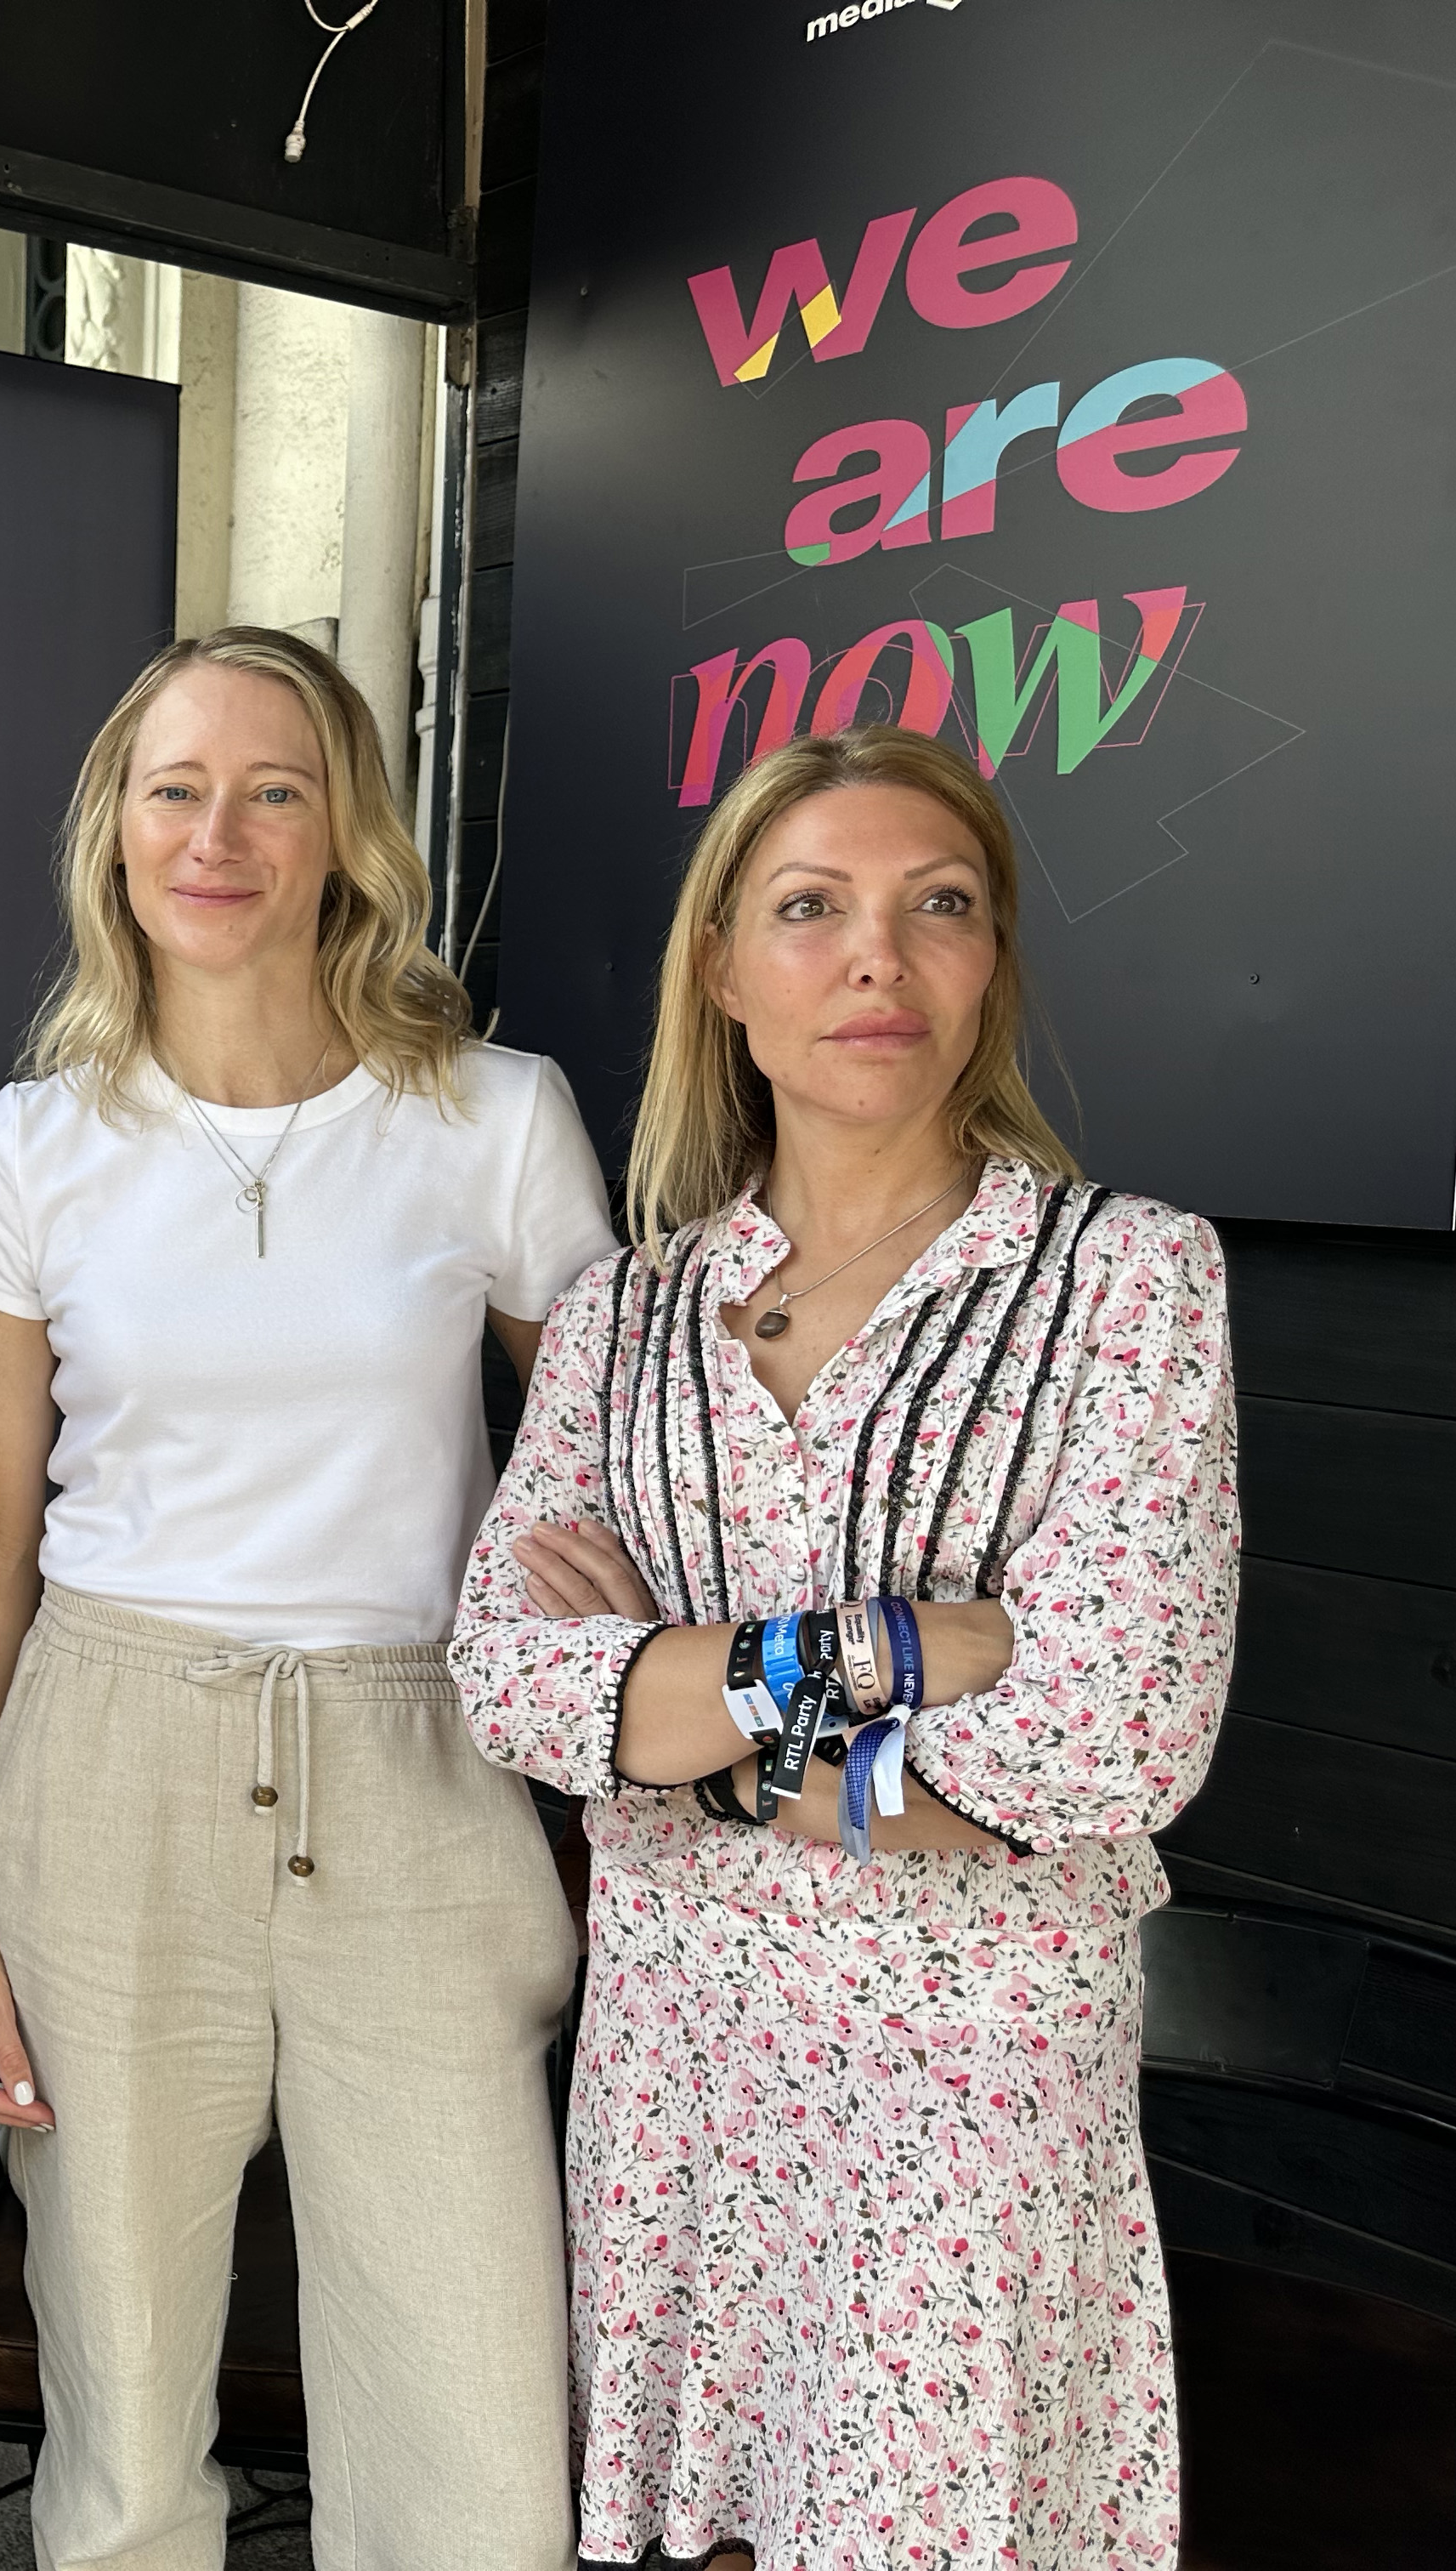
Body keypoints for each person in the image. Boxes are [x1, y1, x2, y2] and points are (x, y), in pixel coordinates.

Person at [449, 724, 1238, 2571]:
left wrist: (688, 1725)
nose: (875, 956)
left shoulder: (1125, 1281)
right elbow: (513, 1681)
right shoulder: (625, 1314)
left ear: (988, 967)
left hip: (968, 2094)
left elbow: (1105, 1750)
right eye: (811, 909)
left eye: (935, 908)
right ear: (723, 972)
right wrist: (907, 1644)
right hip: (681, 2079)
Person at [0, 626, 615, 2571]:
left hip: (421, 1764)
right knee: (123, 2413)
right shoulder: (27, 1153)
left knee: (475, 2419)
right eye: (175, 790)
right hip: (109, 1767)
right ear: (115, 837)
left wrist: (599, 1792)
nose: (217, 834)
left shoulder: (498, 1117)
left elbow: (606, 1496)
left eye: (272, 789)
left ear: (342, 836)